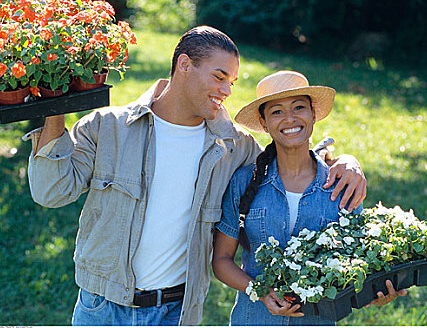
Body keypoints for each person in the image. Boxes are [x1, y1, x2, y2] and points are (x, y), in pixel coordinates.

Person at [23, 26, 367, 326]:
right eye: (219, 77)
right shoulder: (108, 127)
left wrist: (346, 160)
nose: (227, 91)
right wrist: (56, 108)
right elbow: (51, 192)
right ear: (184, 65)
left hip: (176, 312)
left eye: (231, 81)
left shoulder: (233, 145)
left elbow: (288, 154)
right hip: (101, 309)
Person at [212, 70, 406, 326]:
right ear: (264, 122)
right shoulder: (244, 181)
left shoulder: (341, 184)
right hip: (253, 319)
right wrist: (260, 292)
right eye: (277, 111)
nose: (289, 118)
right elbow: (222, 261)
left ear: (313, 113)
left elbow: (360, 264)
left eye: (299, 107)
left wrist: (378, 292)